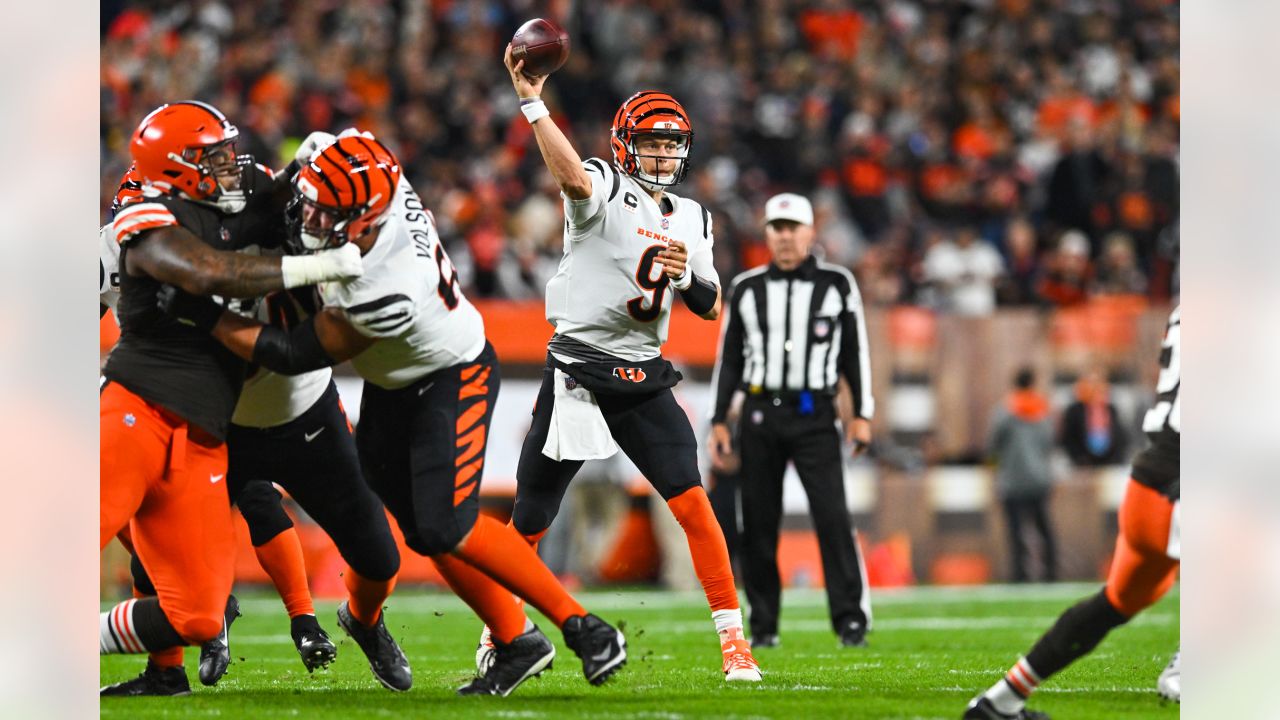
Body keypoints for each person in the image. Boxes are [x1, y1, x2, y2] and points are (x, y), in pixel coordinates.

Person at [163, 133, 627, 697]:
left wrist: (203, 312)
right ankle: (510, 638)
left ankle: (582, 626)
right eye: (314, 202)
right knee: (416, 528)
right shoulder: (362, 165)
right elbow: (330, 149)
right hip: (392, 382)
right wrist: (294, 173)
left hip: (450, 376)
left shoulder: (387, 282)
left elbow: (292, 352)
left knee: (444, 524)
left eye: (328, 214)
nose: (311, 218)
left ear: (365, 221)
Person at [485, 46, 761, 682]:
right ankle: (498, 632)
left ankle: (734, 647)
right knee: (531, 518)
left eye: (672, 144)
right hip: (579, 372)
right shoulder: (603, 186)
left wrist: (686, 273)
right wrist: (532, 102)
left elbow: (711, 305)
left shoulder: (692, 217)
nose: (664, 155)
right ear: (624, 145)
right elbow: (573, 180)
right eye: (652, 143)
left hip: (641, 371)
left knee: (695, 506)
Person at [99, 102, 365, 696]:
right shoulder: (141, 214)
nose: (226, 164)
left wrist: (309, 164)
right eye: (209, 155)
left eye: (224, 150)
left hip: (203, 438)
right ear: (173, 167)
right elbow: (210, 273)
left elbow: (263, 210)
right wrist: (318, 265)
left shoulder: (222, 208)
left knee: (196, 615)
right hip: (136, 411)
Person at [964, 306, 1180, 719]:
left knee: (1114, 603)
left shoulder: (1184, 312)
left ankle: (1001, 701)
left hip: (1146, 486)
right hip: (1186, 485)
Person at [708, 192, 875, 649]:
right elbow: (731, 360)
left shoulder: (837, 284)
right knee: (758, 524)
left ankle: (850, 619)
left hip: (816, 415)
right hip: (759, 416)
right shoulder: (746, 287)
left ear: (810, 231)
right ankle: (764, 624)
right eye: (776, 228)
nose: (784, 236)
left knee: (833, 518)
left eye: (792, 227)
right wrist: (719, 419)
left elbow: (854, 352)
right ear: (767, 234)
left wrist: (862, 413)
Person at [986, 368, 1057, 583]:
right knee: (1044, 530)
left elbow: (992, 446)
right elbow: (1049, 443)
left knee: (1016, 533)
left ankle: (1020, 575)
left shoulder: (1004, 411)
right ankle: (1050, 573)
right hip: (1039, 479)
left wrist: (993, 467)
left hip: (1012, 481)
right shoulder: (1042, 411)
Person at [1059, 368, 1128, 466]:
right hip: (1083, 466)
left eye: (1098, 383)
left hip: (1109, 463)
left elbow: (1121, 437)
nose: (1095, 388)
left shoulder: (1111, 409)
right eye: (1091, 383)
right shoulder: (1075, 410)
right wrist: (1079, 458)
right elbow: (1068, 439)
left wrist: (1116, 458)